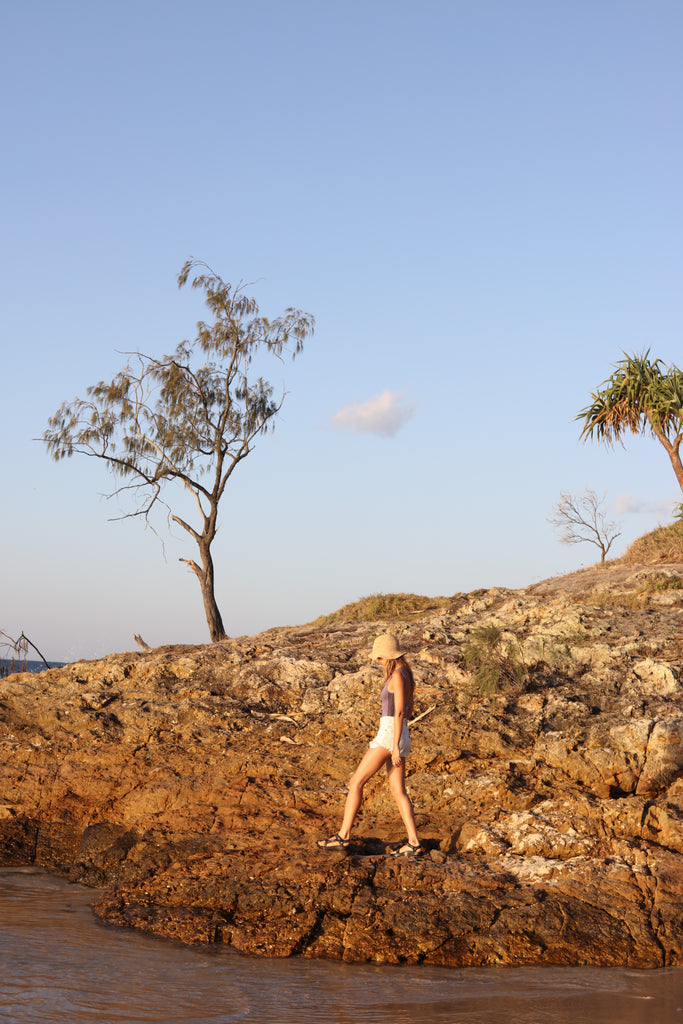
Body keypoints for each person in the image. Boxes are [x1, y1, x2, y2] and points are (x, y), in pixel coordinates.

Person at [317, 633, 424, 857]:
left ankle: (343, 836)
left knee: (356, 781)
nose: (377, 661)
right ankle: (414, 842)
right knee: (398, 790)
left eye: (379, 658)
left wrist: (394, 744)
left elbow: (400, 710)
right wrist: (399, 740)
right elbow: (406, 712)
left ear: (388, 656)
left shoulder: (396, 675)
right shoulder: (406, 674)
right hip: (401, 731)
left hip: (390, 733)